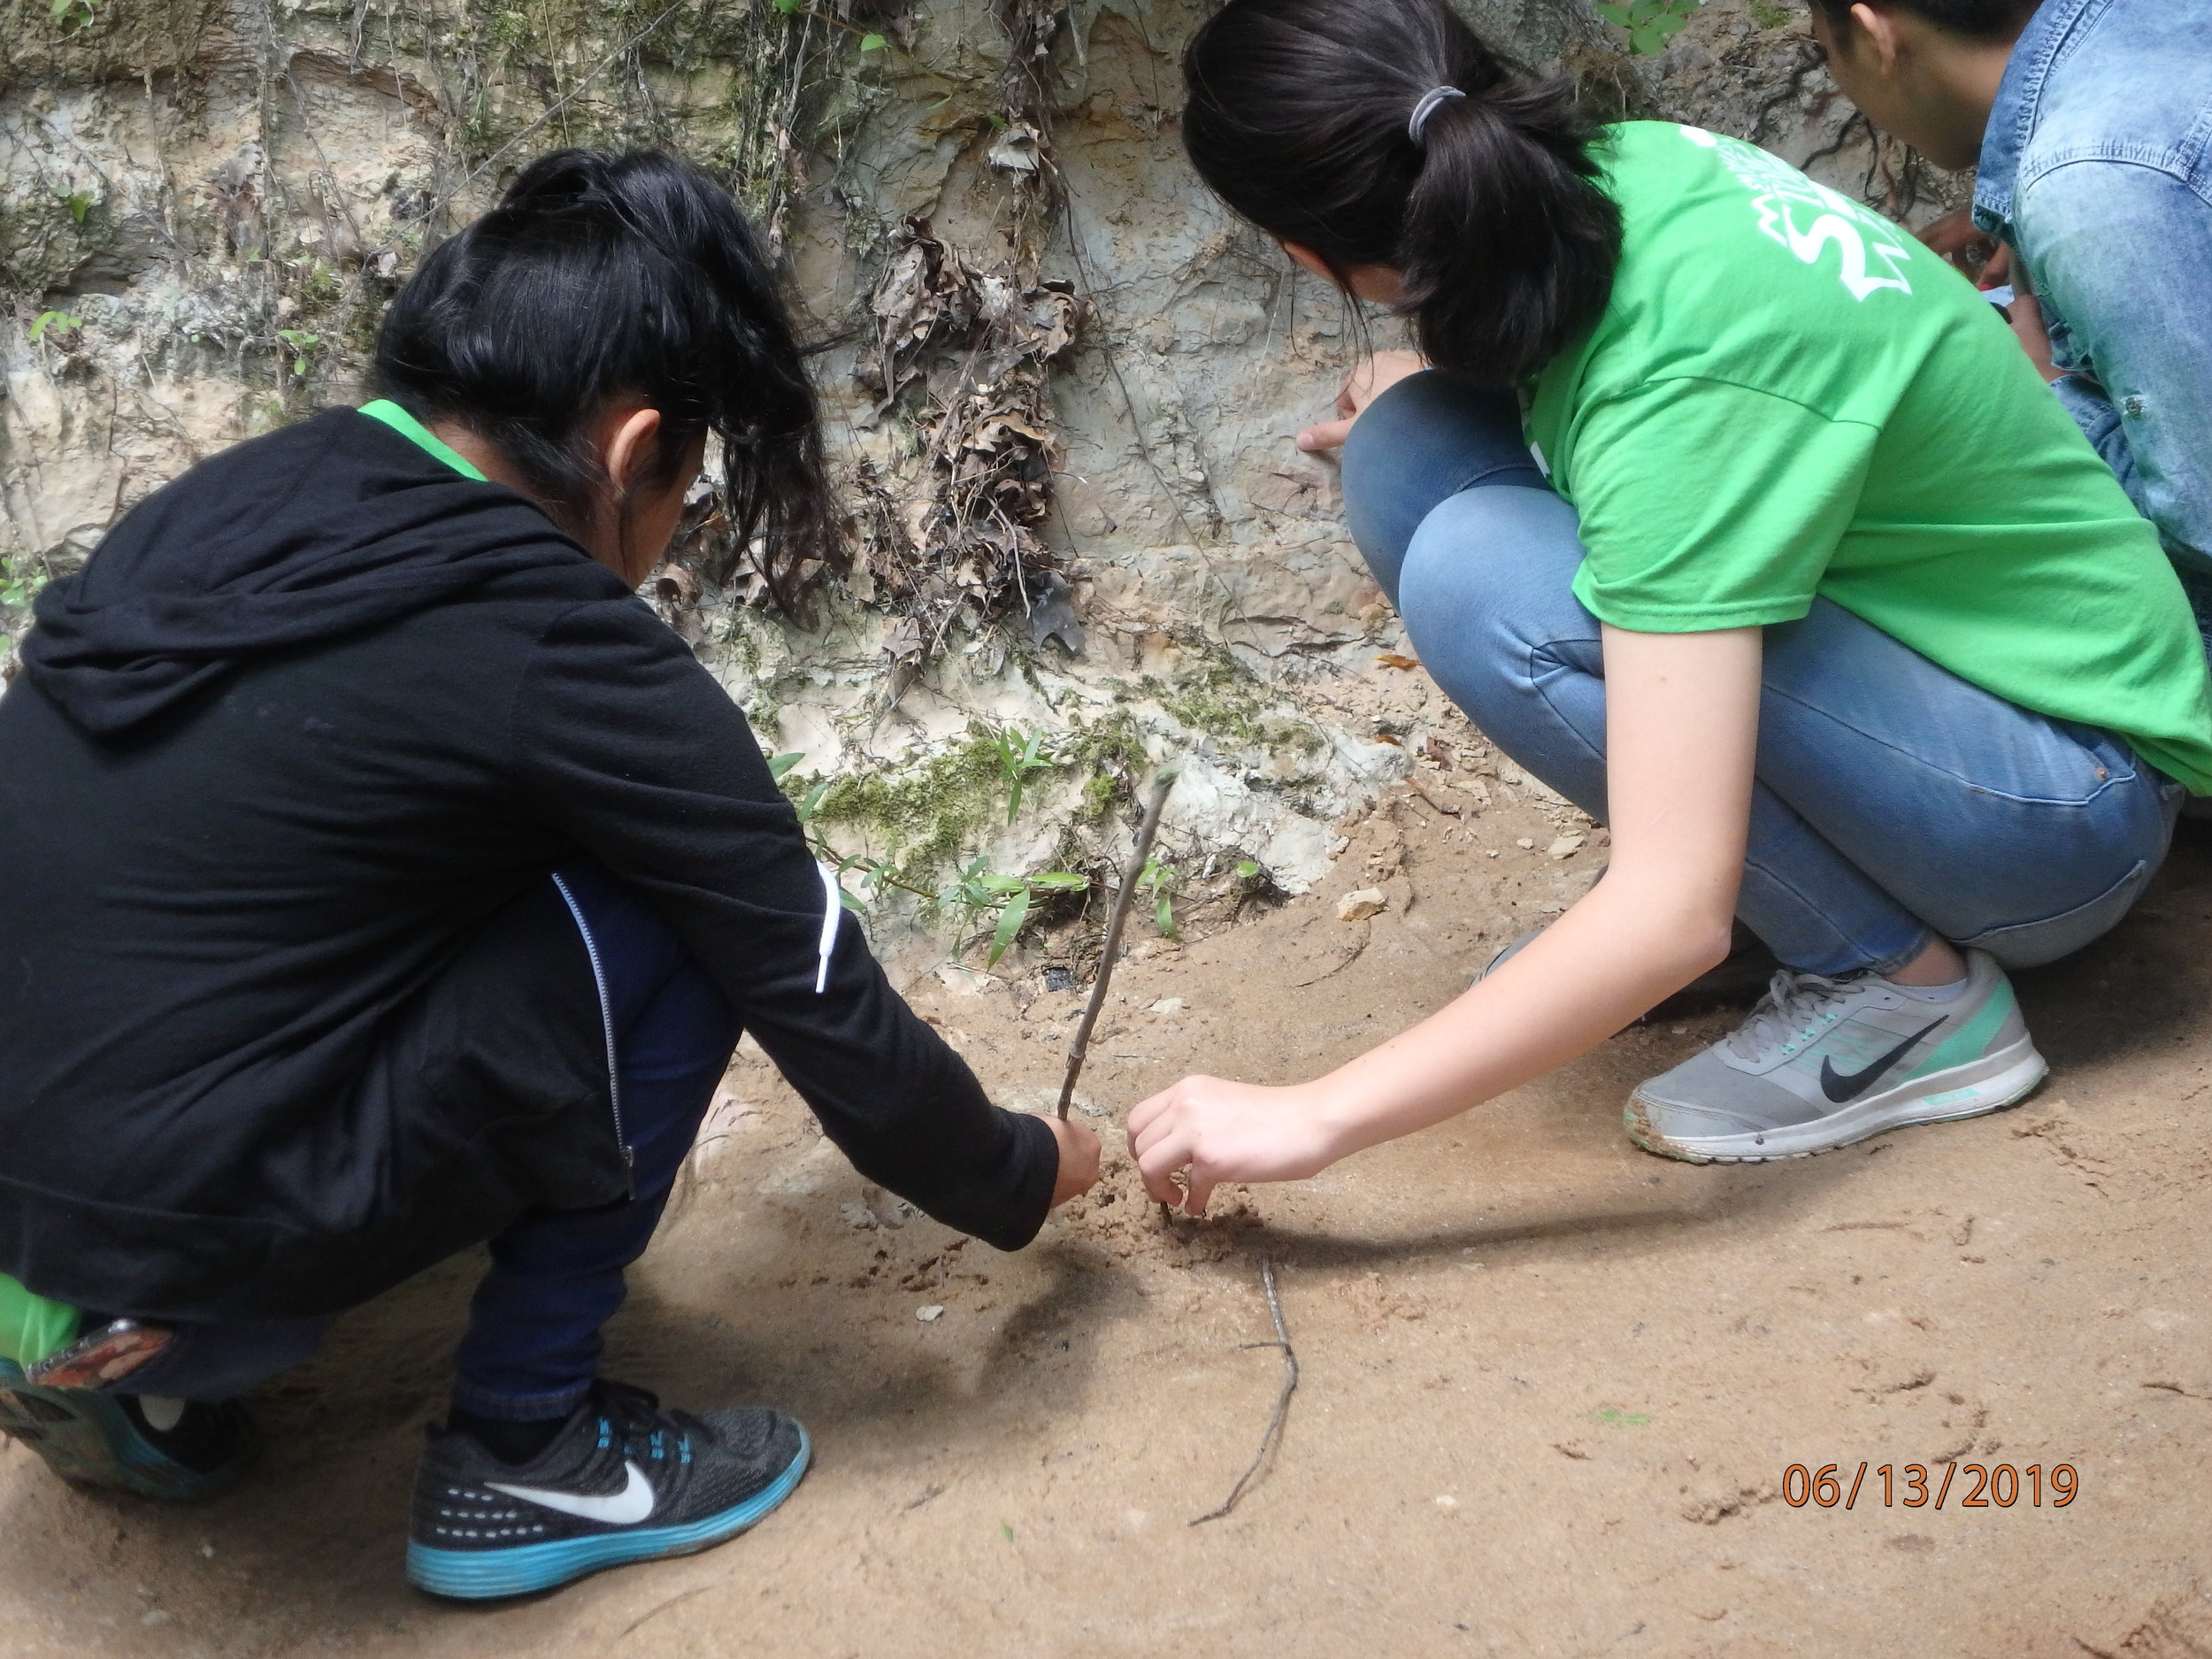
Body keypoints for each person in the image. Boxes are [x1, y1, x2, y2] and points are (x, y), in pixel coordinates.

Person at [0, 150, 1100, 1599]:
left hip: (35, 1220)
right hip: (184, 1261)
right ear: (638, 450)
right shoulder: (552, 639)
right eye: (684, 499)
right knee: (671, 904)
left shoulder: (229, 507)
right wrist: (1028, 1167)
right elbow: (817, 991)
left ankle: (106, 1366)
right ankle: (527, 1450)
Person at [1126, 0, 2212, 1215]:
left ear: (1304, 254)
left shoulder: (1674, 394)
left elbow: (1665, 910)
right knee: (1404, 445)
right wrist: (1417, 386)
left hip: (2065, 807)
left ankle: (1900, 994)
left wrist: (1309, 1113)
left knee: (1485, 575)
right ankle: (1811, 905)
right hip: (1986, 683)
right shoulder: (1629, 168)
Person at [1808, 0, 2212, 634]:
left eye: (1822, 53)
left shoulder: (2091, 190)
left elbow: (2205, 528)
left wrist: (2044, 390)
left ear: (1873, 32)